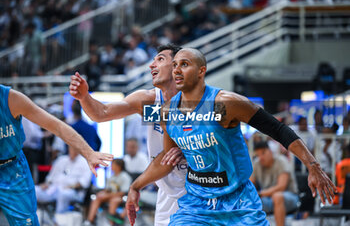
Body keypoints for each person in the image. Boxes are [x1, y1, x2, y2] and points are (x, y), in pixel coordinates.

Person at [126, 48, 336, 225]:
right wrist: (136, 186)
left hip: (238, 200)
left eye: (184, 64)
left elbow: (278, 129)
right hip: (197, 203)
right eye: (174, 65)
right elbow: (166, 158)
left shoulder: (224, 104)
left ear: (201, 71)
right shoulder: (168, 111)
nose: (177, 70)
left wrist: (313, 166)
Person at [69, 44, 187, 226]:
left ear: (177, 66)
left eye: (160, 59)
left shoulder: (198, 100)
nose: (151, 65)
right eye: (153, 59)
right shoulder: (150, 101)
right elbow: (102, 113)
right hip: (167, 193)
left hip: (199, 190)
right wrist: (84, 97)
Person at [0, 84, 113, 226]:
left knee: (27, 221)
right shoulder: (86, 130)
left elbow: (57, 127)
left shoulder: (11, 99)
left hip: (13, 168)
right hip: (52, 182)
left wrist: (88, 153)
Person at [250, 141, 299, 226]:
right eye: (258, 155)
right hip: (267, 198)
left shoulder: (281, 161)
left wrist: (260, 193)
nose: (260, 157)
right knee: (248, 200)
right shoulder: (257, 163)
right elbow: (249, 185)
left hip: (289, 196)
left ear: (270, 151)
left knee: (277, 196)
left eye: (263, 153)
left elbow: (281, 187)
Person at [35, 146, 92, 213]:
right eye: (71, 148)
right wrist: (46, 184)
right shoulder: (61, 159)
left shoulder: (85, 162)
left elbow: (84, 182)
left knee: (63, 193)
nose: (72, 150)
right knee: (34, 189)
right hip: (54, 188)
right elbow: (50, 178)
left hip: (72, 191)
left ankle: (59, 220)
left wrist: (70, 186)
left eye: (74, 148)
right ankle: (31, 217)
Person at [83, 159, 132, 226]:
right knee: (97, 198)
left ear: (118, 166)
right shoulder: (112, 176)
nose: (111, 166)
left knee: (114, 200)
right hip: (110, 195)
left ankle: (111, 223)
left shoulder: (125, 176)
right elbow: (107, 189)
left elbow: (123, 192)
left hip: (121, 197)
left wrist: (108, 195)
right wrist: (102, 193)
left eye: (113, 165)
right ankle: (90, 221)